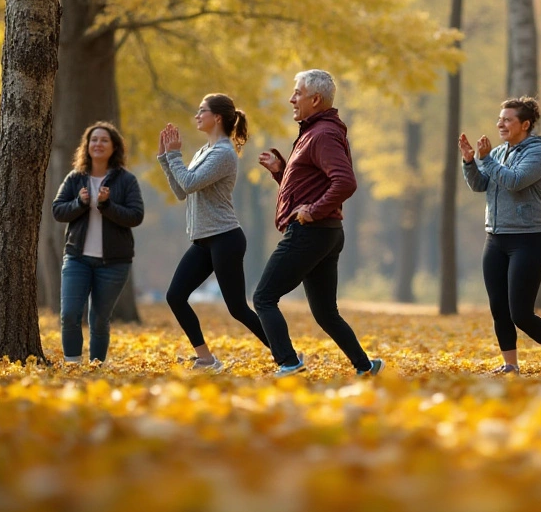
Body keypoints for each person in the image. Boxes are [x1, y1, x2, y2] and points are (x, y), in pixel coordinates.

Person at [254, 70, 383, 377]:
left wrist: (313, 209)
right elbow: (311, 183)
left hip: (311, 233)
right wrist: (281, 170)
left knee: (263, 297)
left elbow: (345, 182)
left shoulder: (322, 133)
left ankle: (287, 361)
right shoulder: (314, 132)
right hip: (325, 233)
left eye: (297, 93)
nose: (291, 98)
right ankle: (366, 367)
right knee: (326, 312)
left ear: (315, 99)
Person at [461, 97, 541, 377]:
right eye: (500, 118)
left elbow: (514, 181)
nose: (501, 123)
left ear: (525, 124)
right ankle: (510, 365)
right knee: (498, 308)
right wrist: (470, 162)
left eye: (508, 119)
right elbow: (480, 185)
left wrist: (486, 159)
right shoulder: (499, 152)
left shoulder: (539, 154)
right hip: (495, 238)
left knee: (520, 313)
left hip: (528, 239)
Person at [158, 94, 270, 372]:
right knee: (175, 296)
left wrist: (173, 155)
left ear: (217, 117)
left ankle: (288, 354)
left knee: (237, 308)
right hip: (203, 240)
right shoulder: (202, 152)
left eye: (202, 111)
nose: (197, 115)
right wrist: (164, 158)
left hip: (225, 237)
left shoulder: (223, 153)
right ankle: (206, 359)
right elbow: (182, 191)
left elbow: (191, 181)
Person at [51, 121, 145, 364]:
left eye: (104, 140)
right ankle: (73, 366)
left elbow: (136, 216)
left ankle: (96, 367)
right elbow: (58, 210)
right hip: (77, 258)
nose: (98, 144)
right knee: (70, 315)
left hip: (114, 263)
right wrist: (79, 204)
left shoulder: (126, 181)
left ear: (114, 147)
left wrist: (107, 205)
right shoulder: (75, 178)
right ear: (87, 145)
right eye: (94, 139)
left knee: (99, 319)